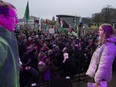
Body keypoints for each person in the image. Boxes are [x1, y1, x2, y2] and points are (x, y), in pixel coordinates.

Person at [0, 1, 20, 87]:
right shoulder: (1, 44)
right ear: (2, 18)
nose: (17, 21)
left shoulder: (6, 40)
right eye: (14, 17)